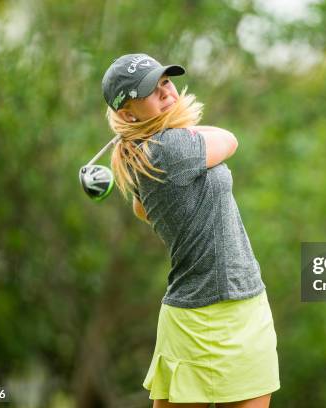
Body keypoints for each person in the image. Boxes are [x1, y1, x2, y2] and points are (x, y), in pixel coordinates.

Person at [101, 53, 280, 408]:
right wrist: (176, 128)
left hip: (247, 306)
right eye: (151, 89)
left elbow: (142, 209)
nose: (166, 91)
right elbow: (229, 140)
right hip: (195, 322)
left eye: (165, 81)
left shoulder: (149, 153)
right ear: (128, 113)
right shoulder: (170, 149)